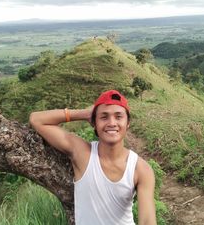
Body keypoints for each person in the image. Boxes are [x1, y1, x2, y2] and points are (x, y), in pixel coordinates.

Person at [29, 90, 156, 225]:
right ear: (94, 123)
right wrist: (83, 113)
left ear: (128, 123)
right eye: (104, 117)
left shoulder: (141, 169)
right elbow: (36, 119)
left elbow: (147, 221)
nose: (112, 123)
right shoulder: (83, 153)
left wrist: (98, 114)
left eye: (118, 117)